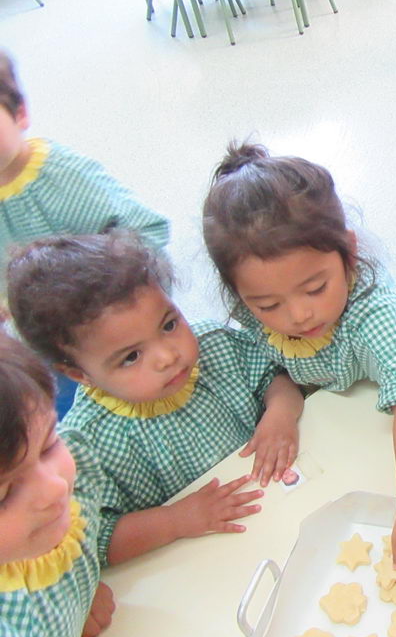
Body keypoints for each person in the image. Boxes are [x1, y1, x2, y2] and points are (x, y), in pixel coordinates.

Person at [201, 143, 396, 589]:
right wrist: (282, 407)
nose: (297, 316)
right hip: (335, 435)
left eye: (315, 289)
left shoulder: (374, 314)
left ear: (349, 254)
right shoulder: (255, 315)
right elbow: (271, 369)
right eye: (268, 304)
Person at [5, 231, 304, 566]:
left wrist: (280, 413)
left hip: (285, 507)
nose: (167, 356)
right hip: (203, 562)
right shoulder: (85, 444)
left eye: (168, 324)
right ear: (79, 374)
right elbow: (96, 542)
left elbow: (275, 377)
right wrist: (174, 521)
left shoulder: (215, 345)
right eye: (131, 357)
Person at [0, 49, 170, 416]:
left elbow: (147, 231)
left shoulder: (62, 177)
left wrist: (110, 297)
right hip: (49, 356)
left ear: (20, 114)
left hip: (118, 341)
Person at [0, 333, 115, 637]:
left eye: (49, 446)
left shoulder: (72, 464)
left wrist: (79, 593)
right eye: (3, 495)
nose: (55, 487)